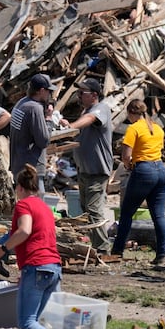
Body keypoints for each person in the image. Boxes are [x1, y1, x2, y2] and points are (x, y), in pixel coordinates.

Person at [0, 164, 61, 329]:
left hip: (37, 267)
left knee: (27, 324)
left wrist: (3, 249)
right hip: (53, 268)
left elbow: (25, 231)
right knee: (34, 321)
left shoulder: (23, 205)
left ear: (19, 187)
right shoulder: (45, 207)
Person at [111, 99, 165, 264]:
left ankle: (117, 250)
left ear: (131, 113)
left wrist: (128, 166)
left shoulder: (133, 128)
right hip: (161, 170)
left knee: (127, 213)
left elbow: (126, 155)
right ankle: (162, 254)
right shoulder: (158, 128)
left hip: (144, 170)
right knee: (159, 215)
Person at [60, 78, 113, 253]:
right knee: (86, 209)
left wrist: (72, 127)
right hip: (85, 170)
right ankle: (96, 245)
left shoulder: (101, 108)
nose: (79, 95)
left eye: (82, 93)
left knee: (93, 209)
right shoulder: (87, 110)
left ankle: (103, 248)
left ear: (94, 95)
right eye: (78, 92)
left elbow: (91, 119)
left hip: (97, 170)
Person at [10, 73, 57, 193]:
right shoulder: (34, 109)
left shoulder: (22, 103)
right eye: (48, 91)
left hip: (18, 163)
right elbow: (43, 141)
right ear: (41, 91)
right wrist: (49, 119)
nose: (49, 95)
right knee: (35, 206)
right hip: (31, 167)